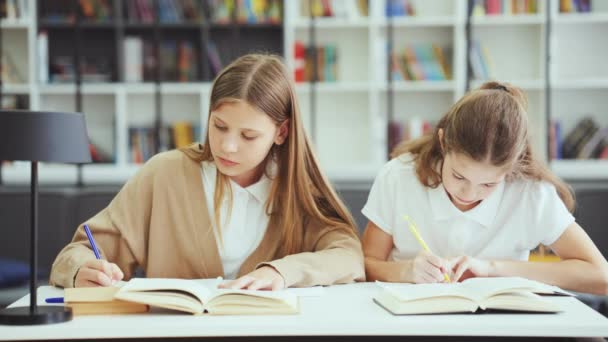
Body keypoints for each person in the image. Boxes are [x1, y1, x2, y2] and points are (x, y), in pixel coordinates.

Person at [50, 54, 365, 290]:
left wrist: (281, 272)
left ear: (281, 133)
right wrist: (81, 270)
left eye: (248, 136)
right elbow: (78, 251)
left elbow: (348, 256)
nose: (227, 146)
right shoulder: (165, 174)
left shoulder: (296, 190)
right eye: (220, 126)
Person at [361, 81, 608, 295]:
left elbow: (601, 277)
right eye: (458, 176)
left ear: (512, 168)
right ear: (443, 141)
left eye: (489, 184)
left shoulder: (530, 193)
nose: (468, 193)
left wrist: (493, 269)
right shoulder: (399, 176)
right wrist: (405, 271)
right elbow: (364, 264)